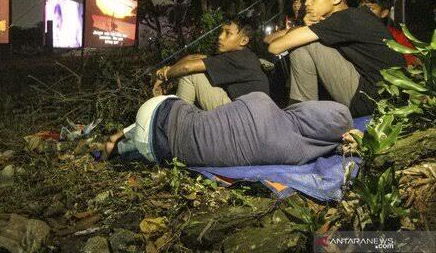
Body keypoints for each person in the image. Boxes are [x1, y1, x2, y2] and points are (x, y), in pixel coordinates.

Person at [268, 0, 405, 117]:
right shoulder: (352, 16)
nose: (306, 3)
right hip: (386, 96)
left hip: (374, 100)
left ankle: (302, 116)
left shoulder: (345, 18)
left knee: (303, 45)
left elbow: (275, 47)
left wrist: (306, 27)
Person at [102, 92, 352, 167]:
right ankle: (123, 149)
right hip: (157, 149)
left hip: (159, 107)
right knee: (169, 143)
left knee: (188, 117)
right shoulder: (294, 152)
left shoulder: (262, 99)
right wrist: (337, 142)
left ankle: (120, 135)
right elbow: (322, 147)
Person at [153, 15, 269, 111]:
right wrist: (169, 68)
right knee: (195, 70)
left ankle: (177, 123)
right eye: (221, 31)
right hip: (243, 112)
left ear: (243, 40)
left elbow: (187, 67)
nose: (220, 37)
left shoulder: (239, 58)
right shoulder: (241, 55)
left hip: (244, 119)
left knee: (192, 74)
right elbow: (193, 57)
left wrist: (164, 75)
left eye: (227, 33)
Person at [359, 0, 417, 66]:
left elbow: (413, 64)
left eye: (370, 8)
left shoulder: (398, 38)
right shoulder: (353, 33)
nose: (363, 12)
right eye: (361, 8)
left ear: (384, 13)